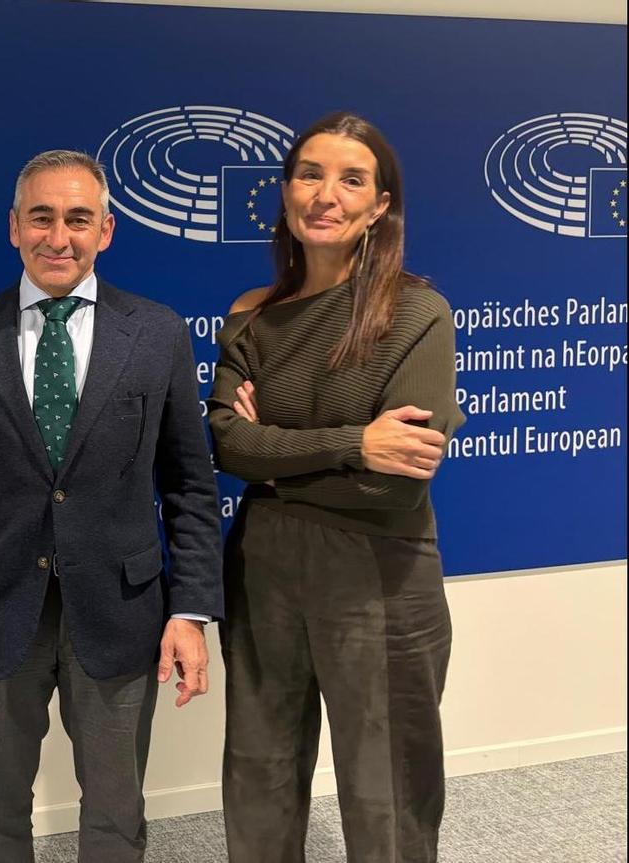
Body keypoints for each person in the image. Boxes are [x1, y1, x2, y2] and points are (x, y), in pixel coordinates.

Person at [0, 150, 223, 862]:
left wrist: (191, 609)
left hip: (121, 607)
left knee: (115, 810)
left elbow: (190, 485)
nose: (59, 236)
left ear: (106, 230)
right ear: (14, 227)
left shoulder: (158, 333)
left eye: (79, 219)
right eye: (41, 217)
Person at [208, 111, 465, 863]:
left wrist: (277, 457)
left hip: (378, 569)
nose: (326, 194)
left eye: (352, 179)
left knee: (386, 786)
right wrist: (356, 442)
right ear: (286, 191)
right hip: (264, 566)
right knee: (257, 772)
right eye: (310, 174)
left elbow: (394, 484)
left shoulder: (418, 313)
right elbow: (229, 444)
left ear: (379, 206)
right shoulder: (249, 314)